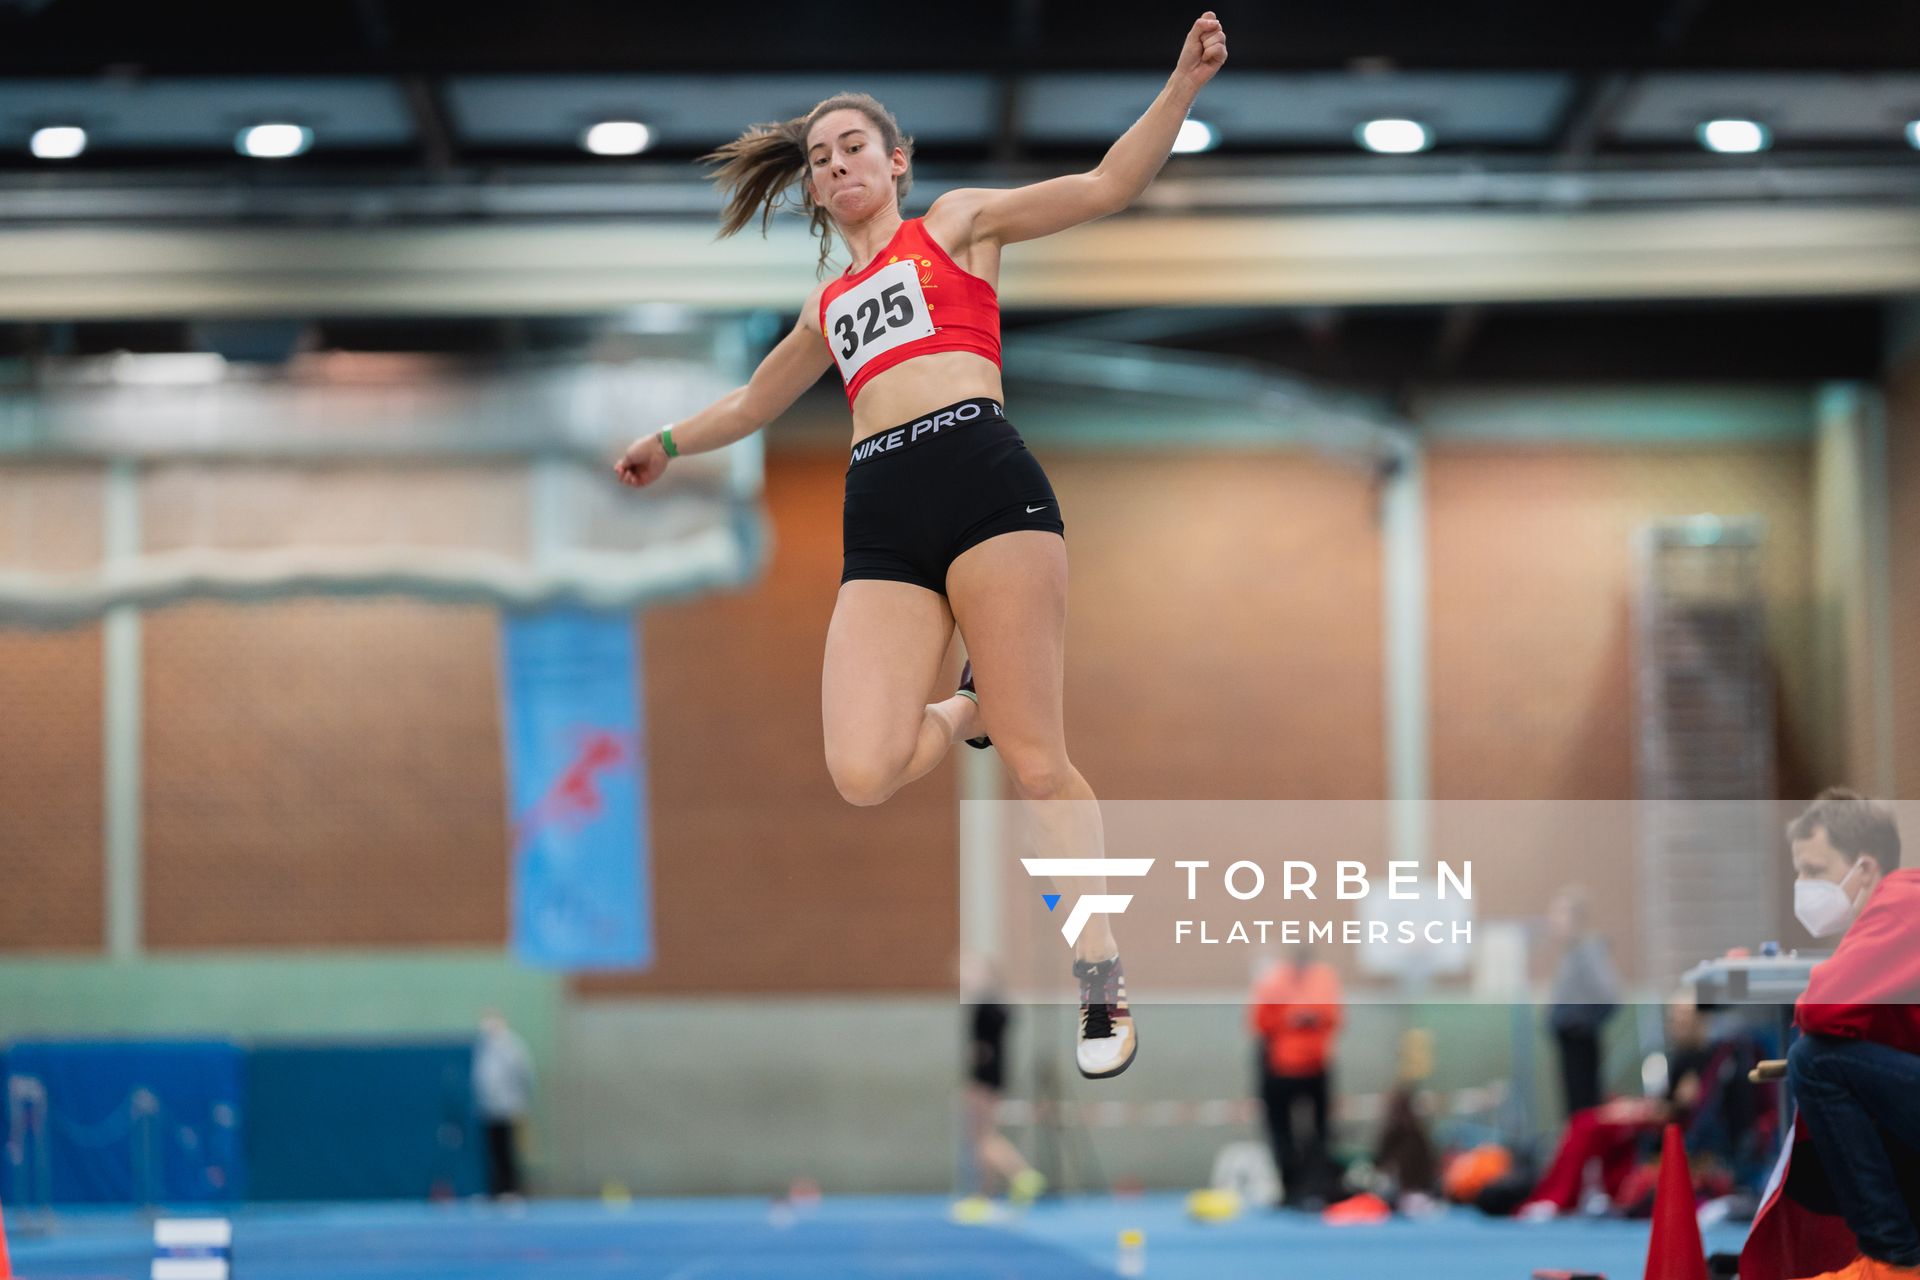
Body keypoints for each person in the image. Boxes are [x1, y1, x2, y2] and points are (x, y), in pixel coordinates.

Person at [615, 15, 1229, 1078]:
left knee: (1041, 766)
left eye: (853, 145)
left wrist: (1181, 84)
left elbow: (1106, 185)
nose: (837, 163)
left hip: (985, 482)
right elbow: (756, 401)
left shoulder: (957, 225)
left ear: (894, 161)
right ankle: (965, 706)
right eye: (818, 157)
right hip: (883, 511)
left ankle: (1098, 973)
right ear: (813, 190)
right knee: (862, 767)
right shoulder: (826, 302)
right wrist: (665, 443)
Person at [1773, 790, 1920, 1280]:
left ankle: (1893, 1262)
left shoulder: (1904, 900)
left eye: (1814, 871)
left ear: (1865, 868)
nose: (1802, 886)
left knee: (1816, 1061)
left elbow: (1820, 1009)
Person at [1249, 946, 1344, 1207]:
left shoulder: (1322, 980)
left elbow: (1334, 1017)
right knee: (1284, 1134)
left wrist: (1304, 1018)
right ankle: (1293, 1188)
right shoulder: (1275, 981)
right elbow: (1260, 1021)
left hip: (1313, 1066)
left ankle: (1315, 1187)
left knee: (1318, 1134)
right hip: (1282, 1068)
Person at [958, 953, 1046, 1204]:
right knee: (984, 1137)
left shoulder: (985, 1005)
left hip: (984, 1080)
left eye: (969, 971)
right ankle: (987, 1192)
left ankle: (1017, 1175)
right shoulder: (997, 1005)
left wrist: (974, 1080)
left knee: (981, 1138)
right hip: (994, 1077)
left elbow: (979, 1051)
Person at [1545, 885, 1621, 1121]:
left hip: (1580, 1044)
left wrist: (1578, 1022)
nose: (1554, 921)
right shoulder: (1571, 954)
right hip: (1569, 1043)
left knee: (1584, 1109)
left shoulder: (1589, 953)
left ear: (1575, 919)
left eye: (1560, 914)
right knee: (1574, 1110)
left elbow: (1610, 997)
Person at [472, 1011, 535, 1199]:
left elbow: (525, 1075)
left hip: (509, 1108)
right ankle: (495, 1191)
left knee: (507, 1151)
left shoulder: (513, 1046)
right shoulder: (483, 1047)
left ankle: (511, 1190)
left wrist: (522, 1102)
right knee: (492, 1152)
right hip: (488, 1109)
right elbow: (481, 1078)